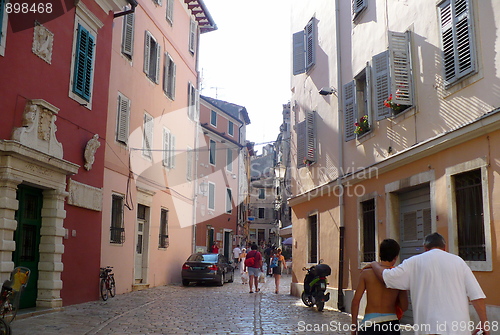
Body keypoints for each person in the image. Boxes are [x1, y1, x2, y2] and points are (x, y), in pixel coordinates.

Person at [370, 233, 489, 335]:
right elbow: (477, 296)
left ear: (425, 248)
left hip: (428, 328)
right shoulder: (459, 262)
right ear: (445, 248)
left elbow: (386, 277)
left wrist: (374, 264)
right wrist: (484, 324)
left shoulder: (414, 262)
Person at [351, 239, 408, 335]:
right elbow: (404, 306)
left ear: (379, 254)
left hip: (370, 323)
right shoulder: (398, 275)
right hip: (391, 323)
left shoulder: (366, 273)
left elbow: (356, 302)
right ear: (395, 257)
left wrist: (354, 325)